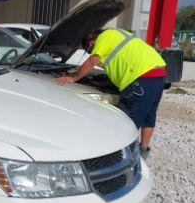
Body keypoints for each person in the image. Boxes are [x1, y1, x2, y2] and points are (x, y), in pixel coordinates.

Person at [57, 28, 166, 159]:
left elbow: (93, 61)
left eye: (89, 49)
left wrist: (74, 78)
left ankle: (120, 157)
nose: (90, 52)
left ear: (92, 42)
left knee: (126, 119)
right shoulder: (118, 34)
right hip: (158, 74)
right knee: (149, 116)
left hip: (142, 77)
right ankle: (143, 151)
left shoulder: (104, 37)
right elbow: (121, 67)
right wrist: (102, 85)